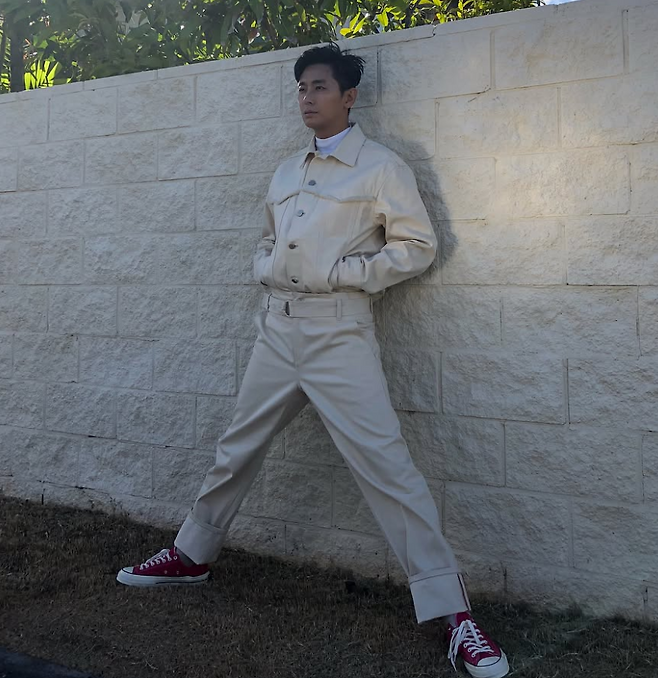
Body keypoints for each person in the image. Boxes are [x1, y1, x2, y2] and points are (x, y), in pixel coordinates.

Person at [116, 43, 509, 678]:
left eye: (319, 86)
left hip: (338, 336)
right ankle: (192, 555)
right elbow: (268, 238)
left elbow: (418, 245)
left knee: (388, 468)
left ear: (349, 96)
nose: (307, 97)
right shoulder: (285, 171)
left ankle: (453, 615)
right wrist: (265, 265)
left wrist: (345, 274)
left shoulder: (380, 167)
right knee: (236, 447)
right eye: (301, 87)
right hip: (276, 330)